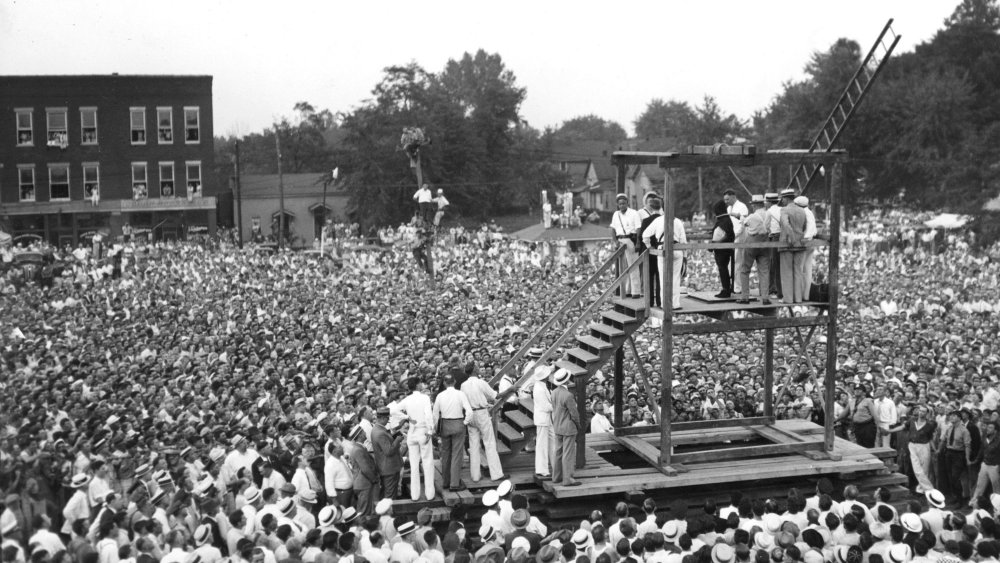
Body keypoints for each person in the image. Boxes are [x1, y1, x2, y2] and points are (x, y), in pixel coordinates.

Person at [460, 363, 507, 483]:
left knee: (474, 445)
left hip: (470, 414)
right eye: (477, 367)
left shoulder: (463, 385)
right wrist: (510, 390)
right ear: (474, 370)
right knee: (489, 443)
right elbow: (496, 395)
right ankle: (496, 474)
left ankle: (475, 476)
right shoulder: (480, 382)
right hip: (481, 413)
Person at [432, 374, 473, 491]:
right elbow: (469, 412)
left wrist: (435, 428)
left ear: (444, 383)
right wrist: (464, 422)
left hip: (445, 424)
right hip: (458, 423)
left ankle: (446, 481)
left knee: (445, 454)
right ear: (454, 382)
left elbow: (435, 414)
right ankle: (454, 483)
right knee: (456, 454)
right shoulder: (460, 394)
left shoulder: (440, 395)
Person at [398, 377, 435, 501]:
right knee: (427, 462)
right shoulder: (425, 398)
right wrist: (430, 430)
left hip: (412, 433)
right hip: (423, 430)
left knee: (414, 465)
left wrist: (407, 417)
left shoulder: (407, 399)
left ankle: (415, 495)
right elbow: (428, 415)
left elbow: (393, 410)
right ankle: (430, 494)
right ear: (418, 385)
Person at [641, 210, 687, 310]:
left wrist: (649, 247)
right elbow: (683, 241)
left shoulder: (658, 220)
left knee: (663, 278)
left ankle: (664, 304)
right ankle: (675, 304)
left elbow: (645, 235)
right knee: (675, 278)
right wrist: (685, 256)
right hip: (677, 249)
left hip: (662, 249)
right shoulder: (678, 221)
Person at [735, 195, 772, 305]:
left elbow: (744, 222)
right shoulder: (768, 214)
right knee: (764, 271)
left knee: (745, 270)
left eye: (752, 205)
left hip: (752, 242)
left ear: (755, 205)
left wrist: (740, 216)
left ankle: (745, 297)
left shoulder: (752, 216)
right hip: (765, 242)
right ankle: (765, 297)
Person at [551, 368, 581, 487]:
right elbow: (574, 414)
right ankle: (567, 479)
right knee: (567, 454)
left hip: (557, 425)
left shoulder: (554, 392)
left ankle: (556, 476)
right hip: (568, 427)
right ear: (567, 380)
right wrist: (578, 425)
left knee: (558, 452)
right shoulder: (568, 395)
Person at [609, 193, 642, 298]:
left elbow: (638, 228)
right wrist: (615, 241)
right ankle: (627, 290)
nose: (622, 205)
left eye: (624, 203)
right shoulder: (616, 214)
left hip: (630, 239)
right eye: (620, 204)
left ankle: (636, 291)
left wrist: (638, 242)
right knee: (623, 268)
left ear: (627, 203)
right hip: (620, 240)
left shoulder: (634, 213)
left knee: (633, 266)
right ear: (618, 205)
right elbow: (613, 229)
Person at [778, 189, 807, 304]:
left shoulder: (784, 210)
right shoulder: (802, 210)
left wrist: (792, 237)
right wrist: (799, 238)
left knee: (787, 272)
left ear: (785, 198)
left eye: (783, 199)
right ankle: (798, 298)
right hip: (800, 243)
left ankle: (788, 299)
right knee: (798, 272)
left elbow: (785, 224)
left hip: (787, 243)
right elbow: (804, 226)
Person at [370, 407, 405, 499]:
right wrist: (397, 440)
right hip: (389, 469)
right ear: (382, 418)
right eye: (387, 418)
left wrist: (393, 436)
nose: (388, 420)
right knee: (390, 495)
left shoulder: (377, 429)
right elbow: (388, 451)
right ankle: (388, 512)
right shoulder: (380, 433)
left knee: (387, 492)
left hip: (386, 468)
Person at [347, 425, 379, 515]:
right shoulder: (358, 450)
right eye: (363, 432)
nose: (365, 433)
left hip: (364, 483)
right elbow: (365, 468)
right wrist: (374, 479)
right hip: (364, 484)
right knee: (364, 511)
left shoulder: (360, 448)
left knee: (366, 509)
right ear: (360, 435)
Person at [637, 195, 663, 308]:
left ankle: (650, 302)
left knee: (649, 278)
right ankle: (660, 301)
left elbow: (641, 236)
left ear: (651, 207)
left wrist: (648, 246)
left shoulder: (646, 220)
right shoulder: (663, 220)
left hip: (649, 252)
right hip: (661, 251)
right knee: (659, 277)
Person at [724, 190, 749, 294]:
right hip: (732, 238)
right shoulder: (729, 208)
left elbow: (742, 224)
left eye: (727, 199)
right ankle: (734, 286)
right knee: (732, 263)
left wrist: (734, 236)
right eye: (725, 199)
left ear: (733, 197)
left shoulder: (742, 206)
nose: (726, 201)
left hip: (740, 238)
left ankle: (738, 287)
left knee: (739, 263)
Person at [531, 366, 553, 479]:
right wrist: (557, 406)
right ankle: (542, 469)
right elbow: (545, 406)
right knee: (542, 445)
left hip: (546, 418)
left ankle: (555, 465)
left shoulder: (542, 385)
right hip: (543, 418)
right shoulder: (539, 388)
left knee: (551, 441)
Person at [971, 419, 1000, 506]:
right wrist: (976, 461)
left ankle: (997, 508)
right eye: (988, 427)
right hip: (984, 464)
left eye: (990, 428)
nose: (988, 429)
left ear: (995, 430)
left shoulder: (999, 440)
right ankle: (974, 505)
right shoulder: (985, 437)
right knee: (979, 487)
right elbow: (981, 450)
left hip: (995, 466)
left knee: (996, 489)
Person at [710, 199, 735, 298]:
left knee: (723, 269)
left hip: (722, 249)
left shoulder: (724, 220)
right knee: (723, 269)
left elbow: (725, 235)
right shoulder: (725, 220)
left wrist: (715, 244)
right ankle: (726, 289)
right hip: (722, 248)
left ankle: (726, 290)